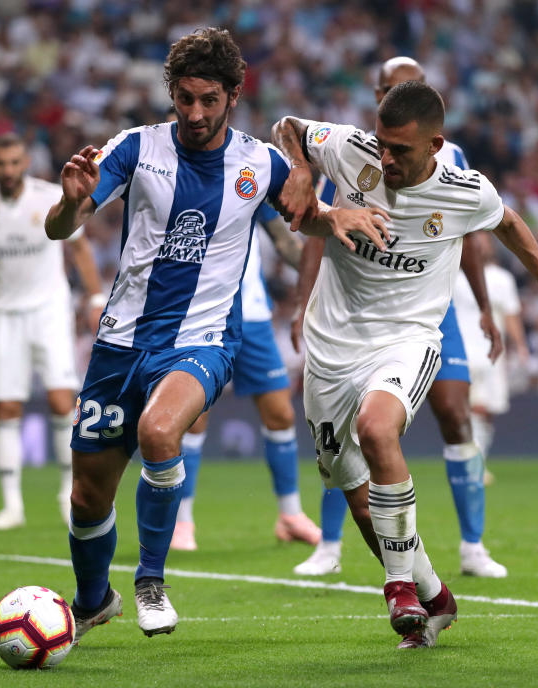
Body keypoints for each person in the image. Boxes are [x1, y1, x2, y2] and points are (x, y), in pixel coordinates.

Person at [43, 29, 376, 641]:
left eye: (209, 100)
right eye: (185, 99)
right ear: (171, 92)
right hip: (120, 342)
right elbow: (61, 227)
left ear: (233, 96)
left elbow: (303, 218)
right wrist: (69, 204)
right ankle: (93, 600)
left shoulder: (256, 162)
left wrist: (336, 218)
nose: (195, 113)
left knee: (161, 429)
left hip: (202, 340)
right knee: (88, 500)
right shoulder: (135, 149)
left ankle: (150, 580)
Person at [272, 79, 538, 646]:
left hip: (408, 339)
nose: (385, 158)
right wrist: (300, 167)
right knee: (361, 504)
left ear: (435, 145)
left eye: (400, 150)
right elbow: (289, 127)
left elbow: (512, 226)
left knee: (377, 428)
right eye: (382, 143)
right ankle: (434, 594)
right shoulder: (350, 149)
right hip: (330, 345)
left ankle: (397, 586)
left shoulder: (465, 191)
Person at [292, 56, 510, 579]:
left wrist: (483, 307)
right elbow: (317, 222)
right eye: (386, 90)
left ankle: (473, 545)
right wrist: (305, 302)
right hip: (352, 316)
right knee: (349, 436)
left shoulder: (453, 159)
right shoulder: (355, 152)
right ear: (377, 96)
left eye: (406, 89)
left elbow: (477, 237)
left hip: (430, 309)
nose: (392, 98)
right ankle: (332, 543)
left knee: (457, 417)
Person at [0, 133, 103, 530]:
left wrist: (96, 297)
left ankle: (68, 495)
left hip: (49, 309)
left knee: (61, 400)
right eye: (1, 164)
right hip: (3, 316)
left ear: (26, 162)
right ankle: (12, 506)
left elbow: (79, 247)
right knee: (7, 407)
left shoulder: (50, 195)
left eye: (15, 162)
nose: (9, 170)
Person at [171, 201, 322, 552]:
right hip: (200, 318)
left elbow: (285, 243)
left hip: (252, 316)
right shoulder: (187, 185)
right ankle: (182, 520)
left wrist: (321, 272)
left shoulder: (250, 179)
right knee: (194, 419)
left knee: (281, 413)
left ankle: (290, 515)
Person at [452, 231, 529, 459]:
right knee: (472, 407)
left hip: (493, 352)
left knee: (487, 410)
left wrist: (521, 345)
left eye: (483, 240)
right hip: (463, 352)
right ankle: (474, 459)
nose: (479, 245)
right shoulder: (454, 278)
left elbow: (511, 315)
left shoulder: (502, 279)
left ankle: (478, 456)